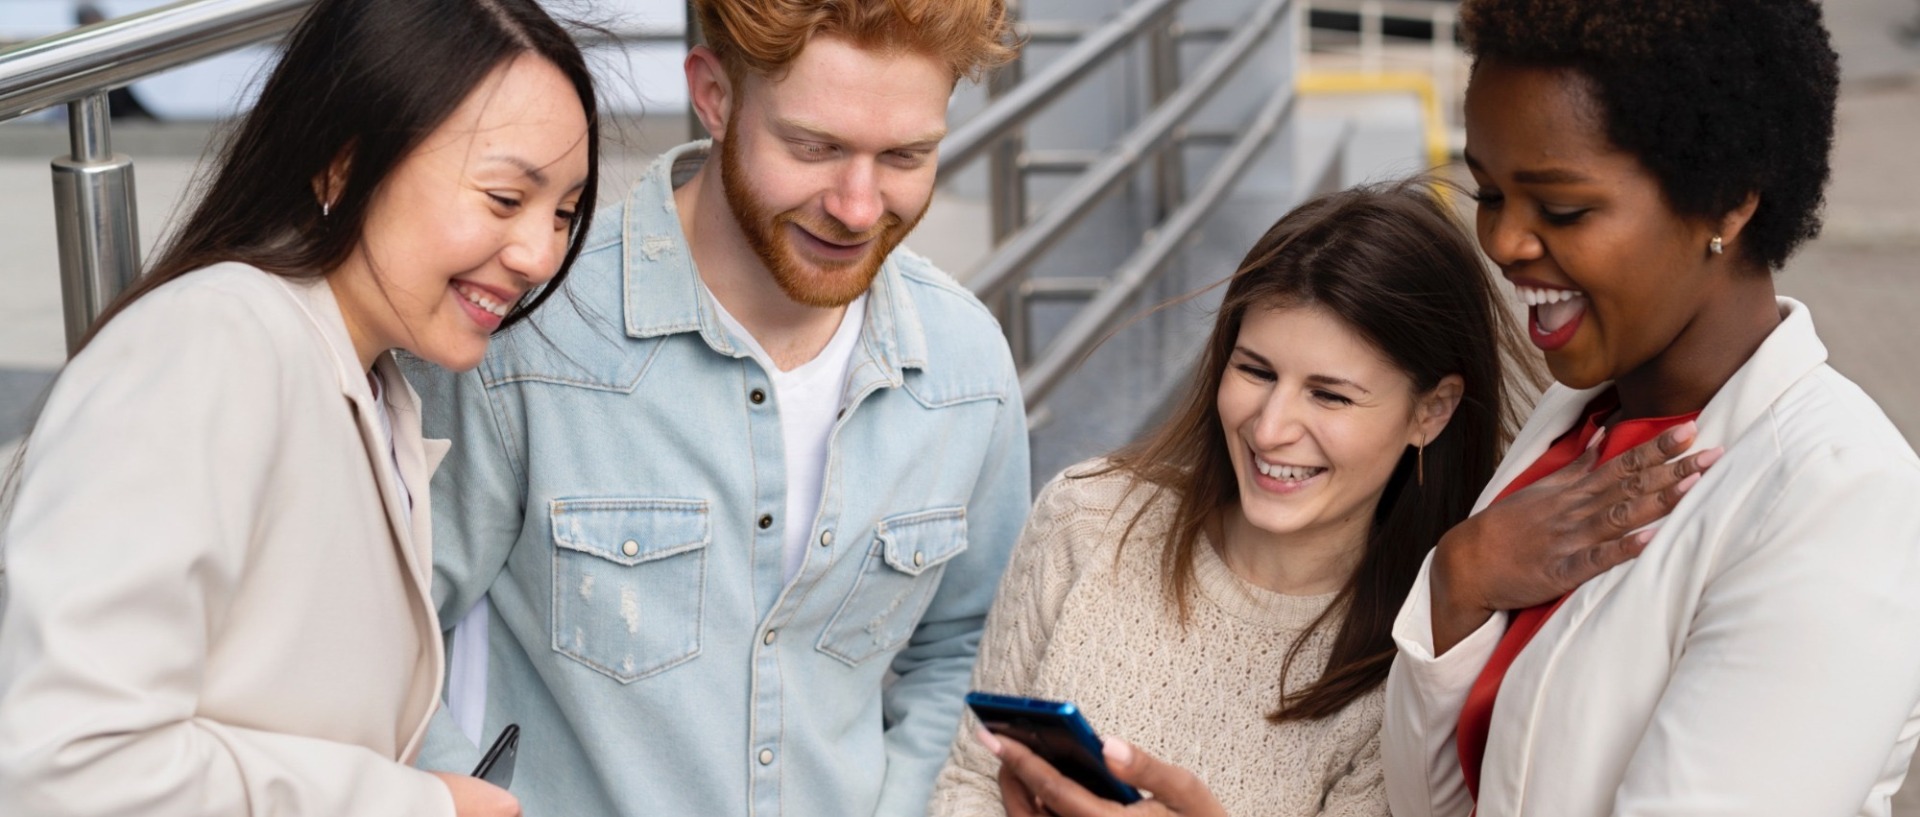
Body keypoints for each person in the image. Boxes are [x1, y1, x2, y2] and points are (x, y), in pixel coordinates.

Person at [401, 1, 1028, 815]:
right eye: (815, 147)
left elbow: (966, 648)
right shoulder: (530, 329)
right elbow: (384, 634)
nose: (860, 206)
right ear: (714, 95)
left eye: (906, 155)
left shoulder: (967, 366)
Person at [0, 0, 598, 814]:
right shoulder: (210, 344)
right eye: (503, 198)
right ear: (342, 165)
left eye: (563, 212)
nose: (539, 254)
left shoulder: (372, 387)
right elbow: (62, 765)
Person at [1383, 1, 1920, 815]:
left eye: (1561, 209)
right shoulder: (1582, 420)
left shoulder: (1840, 501)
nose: (1503, 242)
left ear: (1728, 204)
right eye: (1490, 192)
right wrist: (1460, 578)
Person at [928, 180, 1534, 817]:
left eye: (1329, 395)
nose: (1269, 429)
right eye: (1256, 371)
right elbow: (971, 777)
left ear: (1431, 412)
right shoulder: (1086, 517)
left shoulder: (1416, 672)